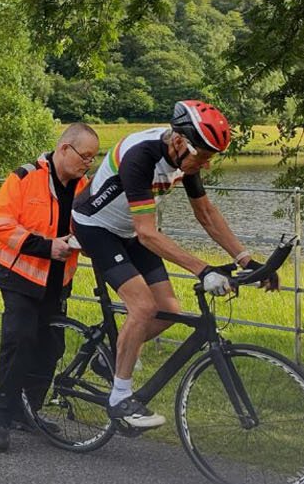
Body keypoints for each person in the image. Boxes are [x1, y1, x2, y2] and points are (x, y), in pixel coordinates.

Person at [71, 100, 278, 430]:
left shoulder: (186, 159)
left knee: (168, 306)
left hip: (129, 229)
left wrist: (245, 258)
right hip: (96, 227)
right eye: (204, 157)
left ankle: (110, 354)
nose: (206, 166)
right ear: (180, 141)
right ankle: (120, 398)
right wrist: (203, 269)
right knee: (142, 306)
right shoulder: (142, 155)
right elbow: (148, 233)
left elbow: (206, 213)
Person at [0, 123, 98, 452]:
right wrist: (47, 247)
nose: (87, 163)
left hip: (58, 279)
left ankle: (27, 409)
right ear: (65, 149)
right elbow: (0, 224)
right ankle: (1, 415)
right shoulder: (24, 177)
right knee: (20, 340)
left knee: (51, 347)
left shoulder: (84, 188)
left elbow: (91, 226)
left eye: (92, 158)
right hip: (19, 275)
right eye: (84, 156)